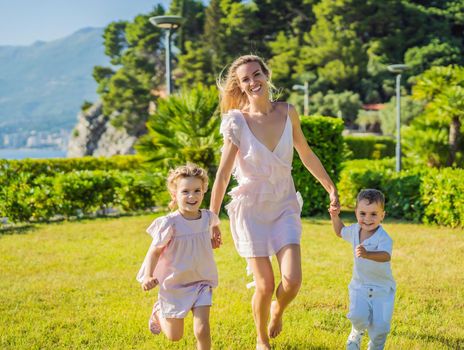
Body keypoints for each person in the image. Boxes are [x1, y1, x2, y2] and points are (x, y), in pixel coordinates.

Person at [210, 54, 340, 350]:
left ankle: (278, 310)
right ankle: (261, 339)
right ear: (240, 86)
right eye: (245, 79)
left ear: (266, 75)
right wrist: (212, 218)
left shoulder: (288, 112)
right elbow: (222, 174)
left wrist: (330, 187)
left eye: (257, 74)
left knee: (292, 280)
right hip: (251, 210)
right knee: (265, 284)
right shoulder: (236, 122)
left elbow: (305, 153)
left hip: (283, 204)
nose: (253, 82)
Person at [137, 164, 221, 350]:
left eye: (197, 190)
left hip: (202, 281)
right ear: (175, 195)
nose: (192, 196)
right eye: (185, 192)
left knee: (202, 329)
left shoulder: (208, 218)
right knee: (175, 336)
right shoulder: (170, 224)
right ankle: (159, 312)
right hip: (175, 284)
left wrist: (215, 235)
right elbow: (154, 251)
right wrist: (147, 276)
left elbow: (215, 224)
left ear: (203, 191)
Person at [329, 189, 395, 350]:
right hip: (360, 286)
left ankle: (376, 346)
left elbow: (386, 256)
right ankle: (356, 333)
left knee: (381, 326)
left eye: (374, 214)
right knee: (358, 316)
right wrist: (335, 216)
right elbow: (339, 231)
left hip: (383, 289)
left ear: (382, 215)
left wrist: (368, 254)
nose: (367, 219)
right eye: (363, 213)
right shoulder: (354, 231)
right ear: (356, 212)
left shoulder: (383, 237)